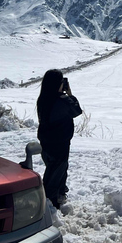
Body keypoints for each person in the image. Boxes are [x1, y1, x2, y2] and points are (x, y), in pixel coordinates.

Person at [37, 69, 83, 209]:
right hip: (60, 142)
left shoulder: (43, 98)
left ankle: (58, 196)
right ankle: (50, 204)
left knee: (54, 169)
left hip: (46, 141)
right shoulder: (62, 100)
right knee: (56, 173)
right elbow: (77, 111)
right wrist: (70, 94)